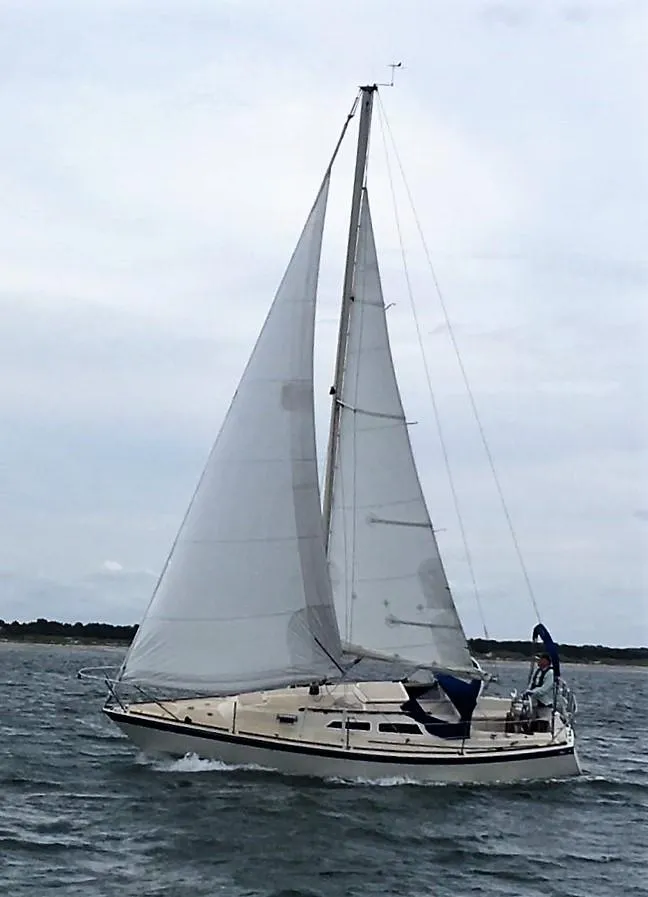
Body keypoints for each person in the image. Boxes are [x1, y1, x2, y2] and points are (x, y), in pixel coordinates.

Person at [523, 653, 555, 732]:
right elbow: (532, 684)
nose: (539, 661)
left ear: (546, 661)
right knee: (532, 721)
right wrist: (527, 692)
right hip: (534, 702)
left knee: (543, 722)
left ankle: (544, 732)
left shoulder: (550, 673)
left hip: (545, 702)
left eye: (541, 659)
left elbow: (545, 689)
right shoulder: (537, 671)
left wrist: (532, 692)